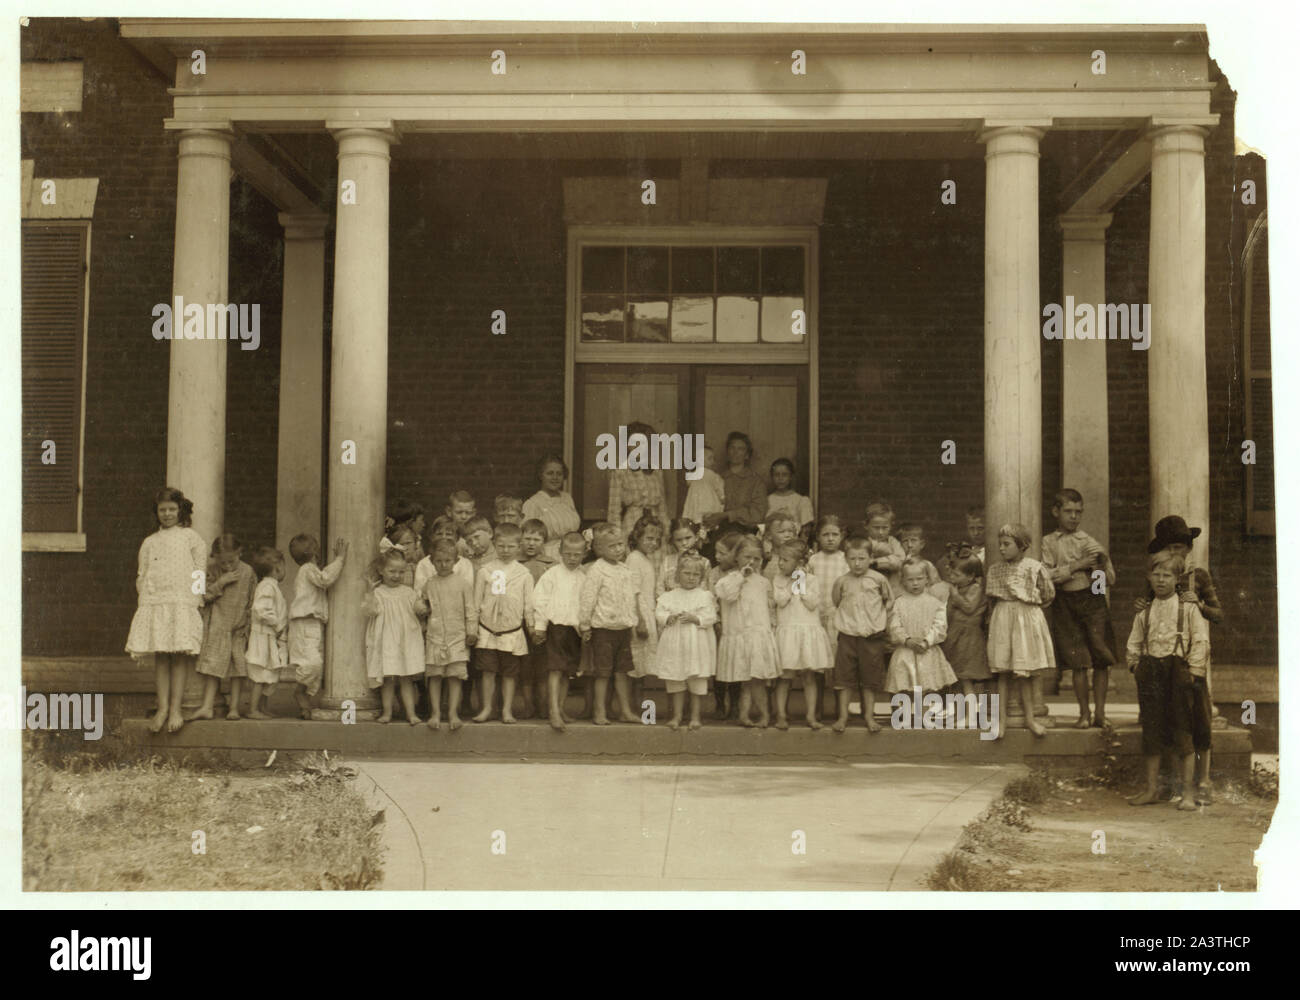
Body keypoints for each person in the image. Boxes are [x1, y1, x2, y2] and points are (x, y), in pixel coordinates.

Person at [1126, 551, 1210, 810]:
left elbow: (1201, 640)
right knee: (1151, 731)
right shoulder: (1145, 611)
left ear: (1177, 579)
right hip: (1152, 672)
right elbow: (1134, 642)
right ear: (1149, 577)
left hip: (1179, 673)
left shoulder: (1187, 608)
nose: (1161, 580)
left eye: (1167, 575)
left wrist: (1193, 671)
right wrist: (1136, 665)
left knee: (1183, 731)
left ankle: (1187, 793)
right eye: (1156, 574)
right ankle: (1151, 789)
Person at [126, 487, 207, 734]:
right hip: (158, 602)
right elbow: (143, 573)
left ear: (180, 510)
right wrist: (147, 601)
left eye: (172, 509)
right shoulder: (150, 542)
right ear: (157, 513)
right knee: (162, 656)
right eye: (163, 510)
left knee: (179, 656)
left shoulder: (191, 538)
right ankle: (161, 708)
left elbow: (199, 571)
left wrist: (197, 599)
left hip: (182, 602)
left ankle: (175, 709)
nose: (168, 514)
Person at [1041, 489, 1118, 729]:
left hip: (1092, 600)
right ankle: (1084, 714)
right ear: (1056, 512)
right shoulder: (1049, 542)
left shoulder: (1089, 542)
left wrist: (1102, 567)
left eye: (1078, 512)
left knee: (1101, 658)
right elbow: (1048, 576)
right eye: (1068, 511)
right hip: (1065, 601)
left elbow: (1108, 580)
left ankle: (1100, 714)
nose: (1074, 517)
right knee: (1078, 662)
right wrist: (1078, 565)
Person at [985, 523, 1056, 739]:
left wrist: (1029, 607)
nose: (1002, 549)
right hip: (1003, 618)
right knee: (1004, 673)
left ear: (1022, 545)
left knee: (1024, 673)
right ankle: (1002, 721)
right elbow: (989, 600)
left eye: (1007, 544)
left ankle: (1030, 719)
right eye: (1000, 545)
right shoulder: (995, 570)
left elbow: (1048, 594)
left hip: (1026, 618)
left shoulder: (1034, 567)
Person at [579, 523, 644, 725]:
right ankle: (599, 712)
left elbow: (631, 599)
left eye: (620, 544)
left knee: (622, 671)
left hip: (623, 630)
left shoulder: (625, 570)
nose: (617, 549)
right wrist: (585, 625)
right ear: (599, 549)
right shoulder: (597, 571)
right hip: (603, 630)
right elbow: (587, 599)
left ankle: (624, 710)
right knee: (602, 673)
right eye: (612, 546)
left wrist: (633, 622)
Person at [713, 535, 780, 727]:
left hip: (758, 635)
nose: (751, 562)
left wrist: (772, 629)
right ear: (736, 557)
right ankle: (744, 714)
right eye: (746, 557)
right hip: (738, 634)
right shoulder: (728, 579)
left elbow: (770, 609)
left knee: (756, 679)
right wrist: (741, 576)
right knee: (746, 680)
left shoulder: (763, 582)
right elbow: (729, 595)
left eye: (756, 559)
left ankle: (764, 715)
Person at [472, 522, 535, 724]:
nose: (505, 551)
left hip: (512, 632)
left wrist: (532, 627)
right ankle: (487, 708)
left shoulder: (523, 574)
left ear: (519, 547)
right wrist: (472, 627)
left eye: (510, 546)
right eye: (501, 546)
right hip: (488, 631)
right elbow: (476, 602)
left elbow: (528, 605)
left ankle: (507, 710)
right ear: (494, 544)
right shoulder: (486, 570)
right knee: (488, 671)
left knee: (509, 674)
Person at [190, 533, 255, 722]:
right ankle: (207, 706)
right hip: (218, 625)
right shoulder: (210, 570)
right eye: (223, 563)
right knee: (212, 667)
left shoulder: (248, 572)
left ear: (240, 553)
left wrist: (248, 625)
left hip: (238, 627)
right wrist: (221, 581)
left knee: (238, 669)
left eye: (231, 561)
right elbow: (201, 596)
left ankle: (234, 708)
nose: (227, 566)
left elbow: (252, 600)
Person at [831, 535, 892, 733]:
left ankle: (869, 716)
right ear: (846, 559)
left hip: (872, 638)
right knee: (844, 679)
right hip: (848, 636)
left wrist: (879, 623)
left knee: (870, 679)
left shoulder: (878, 579)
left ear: (870, 557)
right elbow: (836, 601)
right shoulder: (842, 581)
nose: (857, 563)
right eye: (852, 559)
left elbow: (888, 601)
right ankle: (843, 716)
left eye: (862, 558)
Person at [653, 553, 718, 731]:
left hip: (696, 645)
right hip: (675, 644)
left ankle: (695, 717)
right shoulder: (669, 596)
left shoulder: (705, 596)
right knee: (676, 680)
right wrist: (668, 618)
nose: (691, 578)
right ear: (677, 575)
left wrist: (695, 618)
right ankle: (677, 716)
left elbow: (711, 617)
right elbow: (659, 613)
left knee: (695, 680)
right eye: (687, 573)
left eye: (695, 575)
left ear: (701, 577)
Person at [363, 548, 428, 725]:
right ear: (381, 571)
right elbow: (371, 611)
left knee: (406, 678)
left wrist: (421, 607)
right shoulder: (378, 592)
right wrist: (369, 592)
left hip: (406, 640)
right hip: (387, 641)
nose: (396, 575)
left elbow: (418, 609)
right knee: (388, 678)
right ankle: (387, 712)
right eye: (392, 571)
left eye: (401, 572)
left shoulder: (408, 592)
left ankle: (411, 713)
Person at [287, 534, 348, 720]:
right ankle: (299, 691)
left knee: (317, 665)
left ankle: (305, 699)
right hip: (304, 623)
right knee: (313, 663)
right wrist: (340, 559)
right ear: (313, 552)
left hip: (313, 624)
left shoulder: (309, 570)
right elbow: (326, 578)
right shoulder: (307, 569)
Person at [772, 540, 832, 730]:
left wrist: (801, 581)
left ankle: (810, 715)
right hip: (788, 630)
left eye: (785, 560)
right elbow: (780, 601)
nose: (780, 563)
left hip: (807, 630)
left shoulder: (811, 579)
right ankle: (781, 715)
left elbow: (812, 603)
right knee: (785, 677)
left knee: (809, 676)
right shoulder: (778, 579)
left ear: (798, 563)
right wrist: (791, 585)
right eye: (780, 559)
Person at [532, 532, 589, 731]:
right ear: (560, 553)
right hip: (556, 628)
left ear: (584, 554)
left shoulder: (584, 578)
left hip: (574, 631)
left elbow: (586, 605)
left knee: (567, 672)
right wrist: (540, 626)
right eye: (568, 554)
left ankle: (561, 707)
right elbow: (540, 600)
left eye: (577, 554)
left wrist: (585, 627)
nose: (572, 559)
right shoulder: (552, 574)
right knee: (555, 670)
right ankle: (553, 711)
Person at [421, 538, 476, 731]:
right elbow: (423, 607)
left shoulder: (462, 584)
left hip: (457, 637)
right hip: (435, 637)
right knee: (435, 676)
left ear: (456, 561)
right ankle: (435, 713)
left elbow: (470, 609)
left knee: (454, 676)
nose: (443, 565)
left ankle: (453, 713)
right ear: (432, 561)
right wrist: (421, 609)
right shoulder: (429, 584)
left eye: (447, 561)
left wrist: (471, 631)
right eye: (439, 561)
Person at [885, 558, 959, 696]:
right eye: (910, 579)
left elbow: (940, 627)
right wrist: (907, 640)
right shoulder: (899, 603)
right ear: (903, 581)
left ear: (927, 579)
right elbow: (894, 626)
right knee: (905, 687)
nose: (915, 583)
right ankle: (907, 716)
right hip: (905, 651)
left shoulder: (935, 603)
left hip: (927, 651)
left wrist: (926, 641)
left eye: (919, 579)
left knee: (927, 688)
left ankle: (925, 716)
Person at [807, 514, 849, 721]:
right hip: (816, 619)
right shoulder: (812, 560)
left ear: (842, 536)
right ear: (818, 537)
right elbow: (803, 586)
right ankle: (817, 709)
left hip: (838, 618)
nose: (830, 539)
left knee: (838, 666)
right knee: (818, 667)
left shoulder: (845, 559)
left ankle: (840, 711)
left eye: (835, 534)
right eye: (825, 535)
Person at [244, 546, 289, 720]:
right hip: (263, 635)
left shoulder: (271, 586)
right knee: (260, 671)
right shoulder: (267, 587)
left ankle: (262, 707)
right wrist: (277, 625)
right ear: (277, 567)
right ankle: (253, 709)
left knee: (268, 672)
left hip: (269, 636)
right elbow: (261, 610)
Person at [942, 552, 992, 706]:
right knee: (955, 678)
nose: (952, 576)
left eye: (956, 574)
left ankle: (971, 714)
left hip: (969, 639)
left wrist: (955, 596)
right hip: (955, 636)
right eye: (951, 572)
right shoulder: (957, 588)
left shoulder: (975, 588)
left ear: (970, 576)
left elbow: (969, 608)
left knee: (966, 679)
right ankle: (958, 713)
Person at [607, 420, 668, 541]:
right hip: (632, 525)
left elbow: (662, 508)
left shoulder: (656, 471)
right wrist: (616, 537)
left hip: (655, 526)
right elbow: (614, 510)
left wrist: (666, 531)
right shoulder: (620, 471)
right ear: (628, 445)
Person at [626, 514, 662, 710]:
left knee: (642, 666)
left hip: (647, 612)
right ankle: (633, 705)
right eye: (649, 538)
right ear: (637, 537)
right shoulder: (634, 559)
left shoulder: (645, 559)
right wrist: (639, 620)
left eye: (657, 539)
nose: (653, 543)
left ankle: (637, 706)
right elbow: (633, 592)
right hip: (638, 614)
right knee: (636, 664)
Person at [702, 431, 767, 539]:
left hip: (746, 534)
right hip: (718, 533)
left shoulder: (756, 482)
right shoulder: (717, 478)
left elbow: (757, 514)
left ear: (747, 455)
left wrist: (727, 515)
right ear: (727, 452)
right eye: (732, 448)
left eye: (740, 449)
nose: (735, 452)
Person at [707, 530, 744, 719]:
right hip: (720, 624)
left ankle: (736, 704)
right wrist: (717, 620)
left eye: (722, 553)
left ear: (736, 554)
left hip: (738, 625)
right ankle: (720, 704)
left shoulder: (743, 573)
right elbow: (711, 598)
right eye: (716, 552)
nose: (717, 557)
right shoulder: (714, 573)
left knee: (736, 664)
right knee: (720, 667)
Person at [522, 454, 581, 561]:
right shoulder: (533, 503)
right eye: (550, 473)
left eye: (559, 474)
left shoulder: (567, 498)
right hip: (547, 556)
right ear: (541, 475)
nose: (555, 478)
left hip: (570, 553)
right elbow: (526, 539)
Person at [658, 517, 710, 597]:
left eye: (688, 538)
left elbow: (704, 588)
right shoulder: (667, 561)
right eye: (679, 540)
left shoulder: (704, 562)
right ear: (673, 541)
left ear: (696, 537)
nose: (684, 543)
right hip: (671, 605)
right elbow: (660, 587)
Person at [862, 502, 906, 592]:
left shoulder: (893, 542)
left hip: (892, 586)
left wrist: (876, 563)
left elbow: (900, 560)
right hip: (869, 586)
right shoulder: (863, 543)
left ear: (891, 526)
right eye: (876, 528)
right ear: (866, 526)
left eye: (885, 528)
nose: (881, 532)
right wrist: (889, 555)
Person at [766, 457, 814, 540]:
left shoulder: (801, 501)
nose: (780, 478)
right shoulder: (767, 500)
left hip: (793, 545)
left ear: (791, 476)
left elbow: (806, 531)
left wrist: (800, 547)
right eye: (777, 475)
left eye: (785, 475)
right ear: (772, 477)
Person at [682, 444, 725, 529]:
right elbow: (719, 489)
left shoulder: (693, 475)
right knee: (708, 523)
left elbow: (688, 482)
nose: (713, 462)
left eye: (713, 458)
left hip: (695, 506)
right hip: (707, 505)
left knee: (695, 523)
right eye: (710, 459)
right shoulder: (712, 475)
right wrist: (722, 498)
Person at [761, 511, 800, 579]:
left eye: (790, 531)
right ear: (769, 535)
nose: (787, 535)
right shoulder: (766, 560)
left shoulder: (797, 559)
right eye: (782, 532)